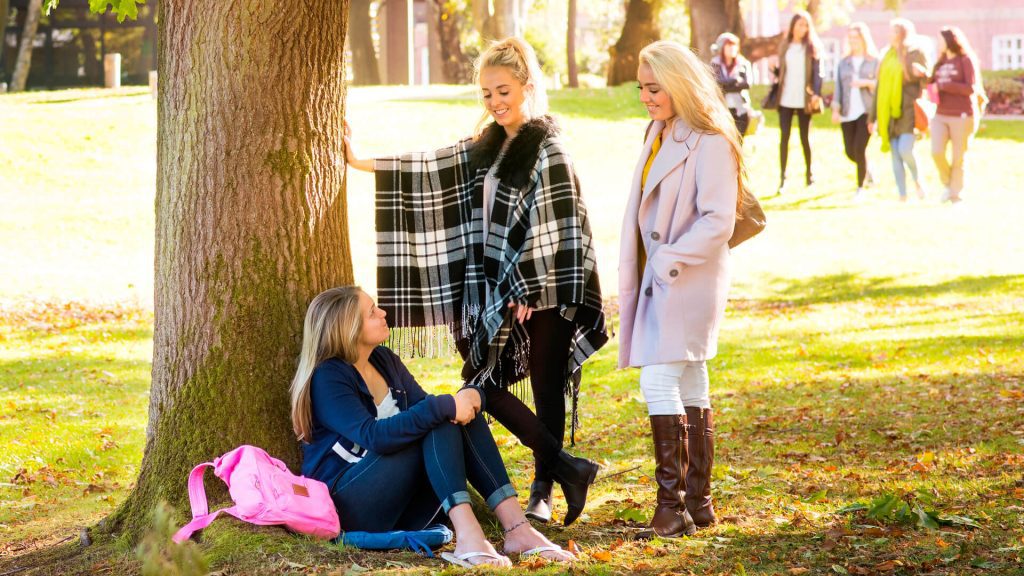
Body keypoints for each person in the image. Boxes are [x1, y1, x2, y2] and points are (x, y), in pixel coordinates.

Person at [343, 37, 607, 527]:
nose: (495, 101)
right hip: (496, 294)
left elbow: (561, 221)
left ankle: (543, 488)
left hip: (547, 291)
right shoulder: (486, 146)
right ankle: (570, 468)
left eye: (503, 90)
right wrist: (362, 163)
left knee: (547, 390)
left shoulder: (548, 149)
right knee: (481, 382)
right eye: (486, 93)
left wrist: (527, 285)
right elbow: (431, 166)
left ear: (527, 86)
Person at [290, 286, 575, 567]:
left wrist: (468, 398)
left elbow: (429, 408)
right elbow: (373, 436)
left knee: (448, 416)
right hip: (349, 505)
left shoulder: (384, 360)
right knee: (438, 415)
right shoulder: (329, 377)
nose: (383, 312)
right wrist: (446, 406)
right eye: (371, 311)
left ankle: (518, 530)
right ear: (347, 328)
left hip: (402, 502)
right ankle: (469, 535)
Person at [623, 40, 744, 537]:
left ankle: (670, 507)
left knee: (658, 380)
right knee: (691, 378)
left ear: (678, 83)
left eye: (655, 88)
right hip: (665, 277)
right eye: (641, 88)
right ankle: (697, 503)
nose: (646, 97)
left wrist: (670, 259)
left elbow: (719, 219)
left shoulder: (710, 139)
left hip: (686, 278)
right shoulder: (659, 130)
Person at [875, 18, 928, 202]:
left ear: (902, 34)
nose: (890, 35)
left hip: (908, 110)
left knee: (905, 150)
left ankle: (918, 181)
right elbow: (880, 87)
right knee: (895, 153)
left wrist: (921, 74)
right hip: (889, 112)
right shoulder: (886, 56)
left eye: (893, 31)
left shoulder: (915, 53)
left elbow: (927, 80)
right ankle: (902, 195)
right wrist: (873, 117)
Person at [774, 10, 823, 192]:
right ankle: (782, 178)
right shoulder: (785, 45)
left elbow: (818, 72)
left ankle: (809, 175)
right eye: (800, 24)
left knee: (805, 138)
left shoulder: (811, 47)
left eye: (806, 25)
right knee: (784, 138)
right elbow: (781, 71)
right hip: (785, 98)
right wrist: (774, 71)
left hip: (804, 99)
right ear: (793, 26)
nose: (803, 28)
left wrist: (816, 92)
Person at [930, 26, 980, 204]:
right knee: (936, 151)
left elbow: (970, 88)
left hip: (962, 115)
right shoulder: (940, 62)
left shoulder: (965, 60)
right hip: (940, 114)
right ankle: (948, 184)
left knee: (958, 157)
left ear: (950, 41)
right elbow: (933, 84)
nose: (938, 43)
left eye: (940, 40)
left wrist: (946, 86)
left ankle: (955, 194)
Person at [831, 22, 879, 198]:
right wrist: (835, 109)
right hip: (847, 111)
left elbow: (880, 86)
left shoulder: (873, 61)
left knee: (859, 148)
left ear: (863, 39)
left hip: (866, 112)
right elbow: (838, 88)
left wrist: (865, 83)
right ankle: (869, 169)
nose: (853, 41)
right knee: (850, 152)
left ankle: (860, 187)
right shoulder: (844, 62)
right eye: (850, 38)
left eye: (856, 37)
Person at [711, 32, 753, 139]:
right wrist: (735, 80)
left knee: (739, 140)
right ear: (722, 47)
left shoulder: (743, 63)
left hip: (741, 108)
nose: (732, 48)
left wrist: (726, 85)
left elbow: (747, 84)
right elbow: (716, 82)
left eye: (734, 45)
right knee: (724, 140)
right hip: (722, 107)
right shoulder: (715, 63)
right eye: (728, 45)